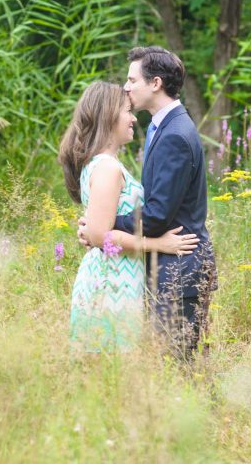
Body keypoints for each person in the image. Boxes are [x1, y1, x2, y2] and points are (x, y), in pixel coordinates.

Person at [78, 47, 218, 356]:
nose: (126, 88)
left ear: (155, 83)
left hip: (179, 268)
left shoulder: (174, 135)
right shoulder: (163, 128)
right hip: (168, 269)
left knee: (174, 368)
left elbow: (155, 217)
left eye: (132, 80)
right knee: (168, 368)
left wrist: (102, 225)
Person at [58, 81, 200, 352]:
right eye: (127, 111)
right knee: (110, 367)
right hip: (111, 280)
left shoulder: (106, 164)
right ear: (109, 116)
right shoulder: (107, 168)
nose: (134, 117)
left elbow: (99, 228)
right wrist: (159, 245)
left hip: (121, 275)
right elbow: (101, 235)